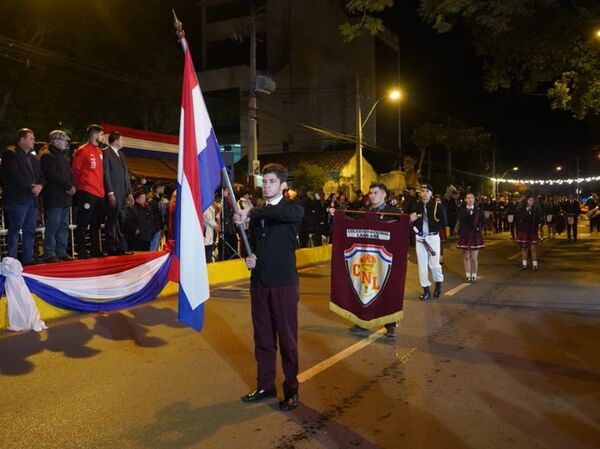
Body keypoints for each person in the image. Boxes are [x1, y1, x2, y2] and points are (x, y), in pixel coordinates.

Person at [235, 163, 304, 411]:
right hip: (260, 283)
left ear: (283, 186)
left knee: (287, 340)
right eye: (264, 181)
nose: (266, 186)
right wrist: (250, 256)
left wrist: (251, 213)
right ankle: (265, 385)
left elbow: (282, 216)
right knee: (263, 338)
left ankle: (291, 390)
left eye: (271, 182)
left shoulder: (291, 208)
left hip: (283, 284)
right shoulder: (259, 213)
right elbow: (253, 244)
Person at [349, 182, 401, 340]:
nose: (371, 195)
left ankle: (390, 325)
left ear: (384, 194)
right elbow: (351, 226)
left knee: (387, 291)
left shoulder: (393, 212)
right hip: (367, 258)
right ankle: (363, 322)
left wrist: (409, 220)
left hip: (386, 259)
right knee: (364, 290)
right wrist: (335, 215)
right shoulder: (364, 212)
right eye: (370, 193)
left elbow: (401, 232)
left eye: (375, 192)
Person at [1, 128, 44, 264]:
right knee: (14, 229)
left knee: (30, 230)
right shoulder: (10, 153)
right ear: (22, 139)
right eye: (31, 138)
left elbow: (42, 177)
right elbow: (13, 175)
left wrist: (40, 186)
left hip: (32, 199)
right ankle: (12, 261)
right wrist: (32, 187)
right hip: (16, 199)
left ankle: (28, 259)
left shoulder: (33, 157)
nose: (34, 141)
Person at [40, 130, 76, 262]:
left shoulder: (63, 156)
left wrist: (72, 185)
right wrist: (68, 186)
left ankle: (61, 252)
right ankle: (50, 253)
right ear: (55, 141)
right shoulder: (47, 156)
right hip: (54, 197)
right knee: (53, 225)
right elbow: (52, 176)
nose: (66, 142)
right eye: (64, 140)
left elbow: (69, 175)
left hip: (65, 198)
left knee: (63, 225)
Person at [72, 124, 105, 258]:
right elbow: (76, 170)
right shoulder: (82, 150)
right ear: (95, 134)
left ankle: (95, 250)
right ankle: (81, 251)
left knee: (96, 223)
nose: (103, 137)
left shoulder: (99, 151)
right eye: (102, 134)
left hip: (99, 192)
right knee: (83, 222)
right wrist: (82, 186)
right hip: (86, 191)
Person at [410, 184, 445, 300]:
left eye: (426, 191)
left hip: (433, 238)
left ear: (431, 193)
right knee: (422, 266)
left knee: (434, 265)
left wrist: (433, 229)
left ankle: (438, 283)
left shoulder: (437, 206)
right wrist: (412, 221)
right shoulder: (416, 206)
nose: (424, 193)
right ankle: (426, 290)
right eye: (422, 191)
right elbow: (410, 223)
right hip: (420, 238)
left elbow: (444, 222)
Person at [103, 131, 133, 255]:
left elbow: (126, 175)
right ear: (115, 141)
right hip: (113, 192)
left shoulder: (121, 154)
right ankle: (111, 247)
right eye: (121, 139)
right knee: (112, 220)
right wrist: (110, 192)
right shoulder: (105, 152)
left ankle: (120, 246)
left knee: (121, 220)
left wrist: (129, 192)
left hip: (123, 193)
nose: (123, 142)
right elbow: (106, 174)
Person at [456, 192, 485, 283]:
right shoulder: (461, 210)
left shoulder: (479, 210)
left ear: (474, 199)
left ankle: (474, 275)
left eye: (471, 198)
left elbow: (484, 222)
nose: (470, 199)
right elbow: (460, 221)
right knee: (466, 257)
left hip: (475, 236)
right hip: (464, 236)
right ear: (465, 200)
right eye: (468, 198)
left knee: (474, 258)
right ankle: (468, 275)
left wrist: (478, 229)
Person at [516, 194, 543, 271]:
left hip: (532, 230)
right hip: (524, 230)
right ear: (527, 201)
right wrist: (527, 212)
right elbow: (520, 217)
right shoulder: (522, 208)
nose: (531, 202)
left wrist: (537, 222)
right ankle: (524, 264)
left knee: (533, 248)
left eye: (532, 200)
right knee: (524, 247)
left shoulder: (536, 209)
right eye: (530, 200)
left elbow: (538, 219)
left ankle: (535, 265)